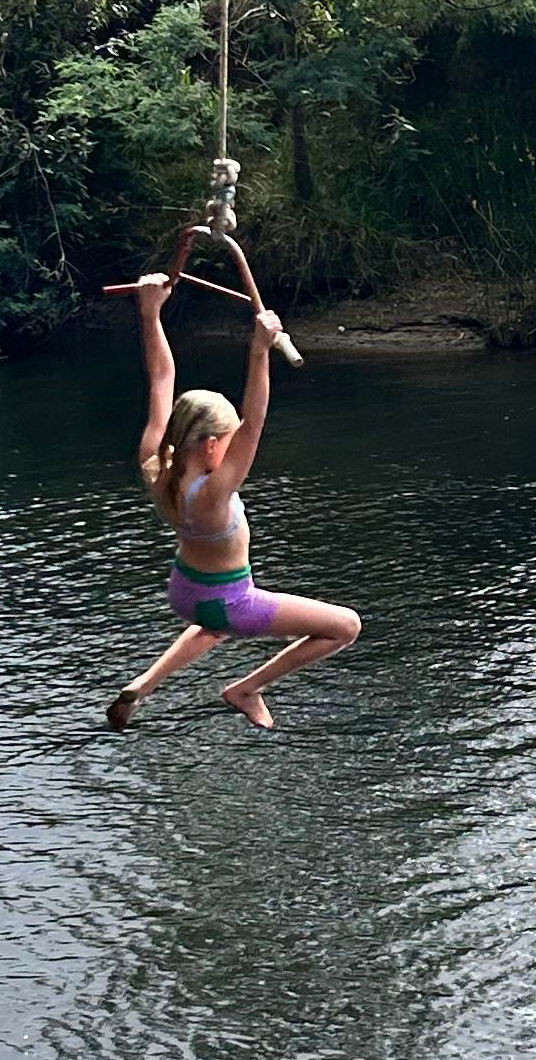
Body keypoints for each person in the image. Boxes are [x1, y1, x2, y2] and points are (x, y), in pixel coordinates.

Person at [106, 273, 362, 733]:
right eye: (225, 440)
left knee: (213, 622)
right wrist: (259, 350)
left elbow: (162, 377)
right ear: (207, 445)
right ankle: (246, 689)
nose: (231, 445)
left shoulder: (156, 461)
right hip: (227, 600)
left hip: (186, 592)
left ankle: (142, 685)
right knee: (345, 626)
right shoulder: (213, 493)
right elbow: (255, 420)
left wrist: (150, 313)